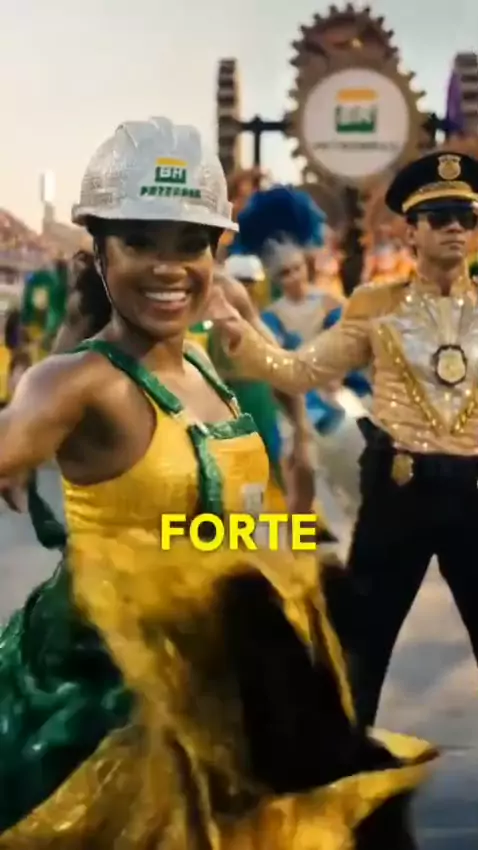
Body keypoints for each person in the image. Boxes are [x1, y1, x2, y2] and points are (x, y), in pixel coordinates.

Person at [0, 117, 436, 848]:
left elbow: (244, 501)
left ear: (217, 251)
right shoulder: (75, 381)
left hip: (236, 676)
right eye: (140, 242)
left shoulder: (208, 362)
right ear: (100, 250)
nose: (168, 267)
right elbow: (15, 433)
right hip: (121, 701)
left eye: (190, 243)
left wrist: (300, 527)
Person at [208, 149, 478, 729]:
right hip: (399, 490)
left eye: (466, 217)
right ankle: (344, 766)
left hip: (473, 491)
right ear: (413, 231)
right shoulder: (376, 306)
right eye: (440, 217)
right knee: (362, 647)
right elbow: (300, 370)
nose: (456, 228)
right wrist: (239, 333)